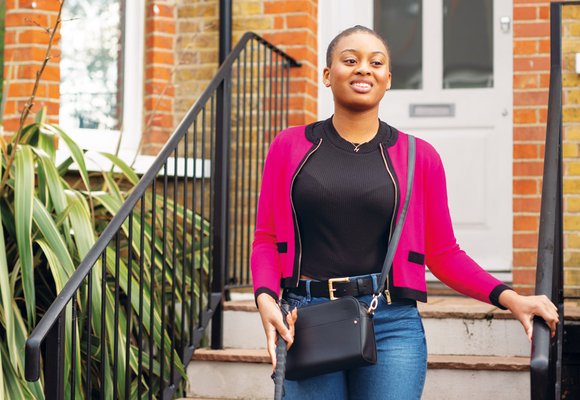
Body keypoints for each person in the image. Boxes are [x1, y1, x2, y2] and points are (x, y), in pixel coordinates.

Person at [250, 25, 558, 400]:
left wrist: (510, 298)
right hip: (306, 317)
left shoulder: (418, 157)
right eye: (351, 60)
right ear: (328, 75)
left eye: (375, 63)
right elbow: (266, 238)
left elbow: (444, 253)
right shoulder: (290, 146)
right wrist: (265, 297)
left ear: (388, 79)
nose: (364, 69)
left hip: (392, 322)